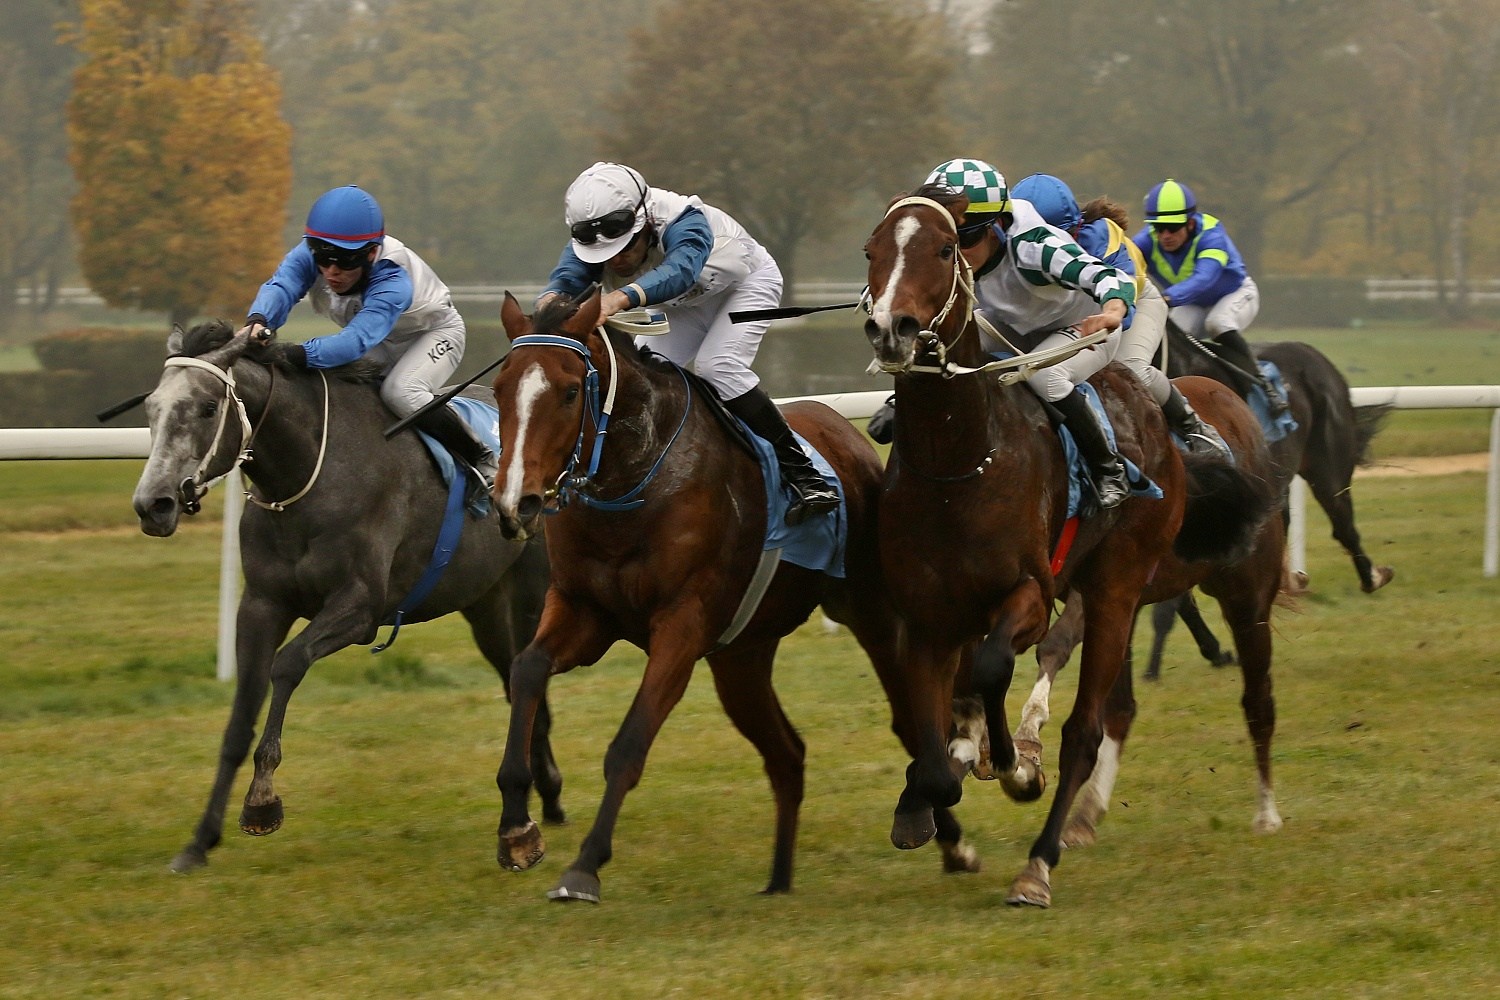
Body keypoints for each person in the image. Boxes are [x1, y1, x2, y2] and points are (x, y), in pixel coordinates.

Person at [537, 161, 839, 526]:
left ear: (645, 222)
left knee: (718, 367)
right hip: (683, 303)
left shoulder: (684, 219)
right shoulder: (595, 234)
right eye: (605, 255)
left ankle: (805, 476)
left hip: (744, 285)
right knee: (642, 373)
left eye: (625, 247)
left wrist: (617, 299)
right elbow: (565, 279)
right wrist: (548, 304)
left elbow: (680, 270)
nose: (616, 260)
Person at [921, 157, 1138, 508]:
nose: (957, 252)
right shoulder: (957, 251)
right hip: (1016, 325)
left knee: (1045, 378)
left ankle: (1108, 468)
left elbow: (1108, 277)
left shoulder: (1036, 247)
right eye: (949, 242)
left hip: (1082, 327)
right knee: (946, 342)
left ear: (997, 226)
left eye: (967, 238)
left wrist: (1112, 311)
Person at [240, 185, 492, 479]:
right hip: (380, 340)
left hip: (434, 334)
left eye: (345, 260)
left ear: (371, 253)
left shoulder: (393, 279)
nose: (331, 271)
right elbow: (282, 286)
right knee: (335, 388)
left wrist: (291, 354)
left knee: (400, 392)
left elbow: (353, 342)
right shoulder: (312, 254)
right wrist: (259, 321)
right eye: (323, 258)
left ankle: (481, 456)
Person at [1011, 173, 1229, 457]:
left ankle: (1194, 427)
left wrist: (1104, 322)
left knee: (1131, 370)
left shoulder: (1101, 238)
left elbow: (1121, 301)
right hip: (1077, 309)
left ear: (1075, 229)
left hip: (1132, 301)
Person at [1132, 178, 1286, 415]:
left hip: (1234, 294)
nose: (1165, 235)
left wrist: (1168, 298)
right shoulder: (1146, 240)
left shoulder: (1212, 235)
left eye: (1172, 227)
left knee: (1218, 323)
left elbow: (1204, 278)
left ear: (1191, 223)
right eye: (1159, 228)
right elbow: (1125, 262)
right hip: (1192, 302)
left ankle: (1265, 387)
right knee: (1172, 339)